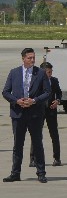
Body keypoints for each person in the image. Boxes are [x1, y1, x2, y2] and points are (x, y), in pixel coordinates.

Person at [3, 48, 51, 183]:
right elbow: (6, 92)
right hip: (18, 114)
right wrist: (16, 101)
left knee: (37, 144)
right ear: (23, 58)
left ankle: (41, 172)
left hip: (35, 114)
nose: (32, 60)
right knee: (18, 144)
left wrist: (34, 100)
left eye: (33, 58)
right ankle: (15, 173)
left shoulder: (40, 73)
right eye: (29, 58)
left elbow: (47, 92)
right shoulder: (14, 72)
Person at [29, 62, 61, 167]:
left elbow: (59, 92)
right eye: (48, 72)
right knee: (36, 135)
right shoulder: (36, 81)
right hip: (38, 110)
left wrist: (57, 101)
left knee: (54, 134)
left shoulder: (54, 80)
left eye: (51, 72)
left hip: (51, 110)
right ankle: (33, 159)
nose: (50, 74)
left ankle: (57, 158)